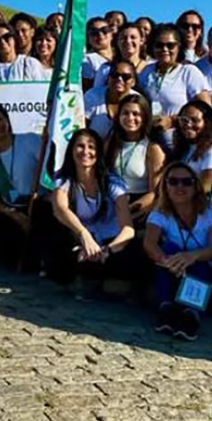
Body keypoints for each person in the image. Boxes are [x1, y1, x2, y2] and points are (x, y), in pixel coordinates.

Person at [144, 162, 212, 340]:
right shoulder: (159, 212)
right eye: (173, 181)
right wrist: (168, 261)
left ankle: (191, 315)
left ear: (195, 186)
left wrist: (191, 257)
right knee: (169, 249)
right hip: (175, 270)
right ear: (165, 185)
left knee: (199, 262)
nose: (180, 186)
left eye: (186, 182)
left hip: (211, 275)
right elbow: (150, 243)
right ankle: (167, 309)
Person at [48, 129, 138, 287]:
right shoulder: (64, 180)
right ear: (71, 150)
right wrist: (84, 235)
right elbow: (60, 209)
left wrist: (107, 250)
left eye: (91, 147)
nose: (86, 152)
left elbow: (128, 229)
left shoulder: (112, 182)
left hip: (111, 243)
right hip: (80, 238)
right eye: (80, 146)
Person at [0, 102, 42, 263]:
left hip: (37, 204)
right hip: (11, 209)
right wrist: (16, 216)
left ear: (7, 120)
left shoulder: (30, 140)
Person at [139, 24, 211, 137]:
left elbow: (206, 111)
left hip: (181, 143)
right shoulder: (146, 71)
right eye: (159, 45)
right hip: (150, 139)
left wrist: (173, 121)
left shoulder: (189, 72)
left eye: (170, 45)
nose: (165, 49)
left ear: (179, 47)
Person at [105, 94, 165, 225]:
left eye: (136, 114)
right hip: (110, 204)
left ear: (144, 118)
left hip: (138, 208)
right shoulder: (111, 143)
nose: (130, 118)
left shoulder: (152, 149)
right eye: (125, 113)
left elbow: (154, 193)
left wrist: (126, 212)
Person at [173, 100, 212, 192]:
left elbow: (206, 187)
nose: (188, 125)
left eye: (195, 120)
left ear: (207, 123)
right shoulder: (185, 150)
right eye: (184, 120)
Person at [0, 24, 48, 99]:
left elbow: (43, 92)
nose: (2, 42)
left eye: (6, 37)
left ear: (14, 39)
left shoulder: (30, 63)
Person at [84, 58, 138, 139]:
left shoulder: (138, 101)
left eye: (125, 77)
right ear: (108, 78)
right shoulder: (92, 95)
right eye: (115, 75)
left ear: (133, 82)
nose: (119, 79)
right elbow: (81, 127)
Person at [81, 17, 115, 90]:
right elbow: (88, 88)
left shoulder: (122, 54)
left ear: (111, 34)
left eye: (104, 30)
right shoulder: (87, 59)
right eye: (94, 33)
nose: (100, 34)